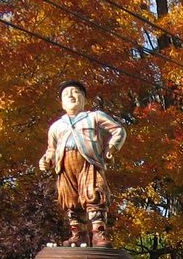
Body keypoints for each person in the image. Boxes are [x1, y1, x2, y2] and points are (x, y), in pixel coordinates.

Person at [39, 80, 126, 247]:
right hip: (64, 167)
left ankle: (98, 234)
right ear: (62, 103)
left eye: (75, 92)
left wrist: (111, 147)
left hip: (89, 162)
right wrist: (46, 160)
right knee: (70, 200)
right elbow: (51, 149)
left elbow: (118, 130)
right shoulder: (56, 127)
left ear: (84, 99)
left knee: (94, 195)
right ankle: (77, 234)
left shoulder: (94, 117)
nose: (71, 96)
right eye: (66, 94)